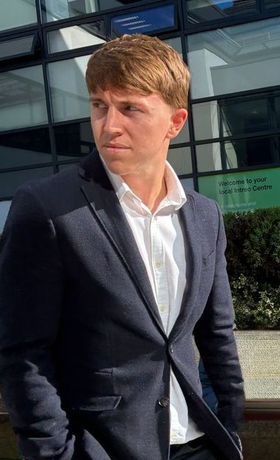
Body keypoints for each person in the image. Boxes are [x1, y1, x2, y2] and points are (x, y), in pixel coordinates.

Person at [0, 35, 244, 460]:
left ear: (175, 122)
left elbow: (217, 334)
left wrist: (231, 424)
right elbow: (23, 352)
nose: (108, 124)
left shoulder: (205, 216)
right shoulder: (47, 208)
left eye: (130, 108)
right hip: (102, 448)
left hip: (200, 442)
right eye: (99, 105)